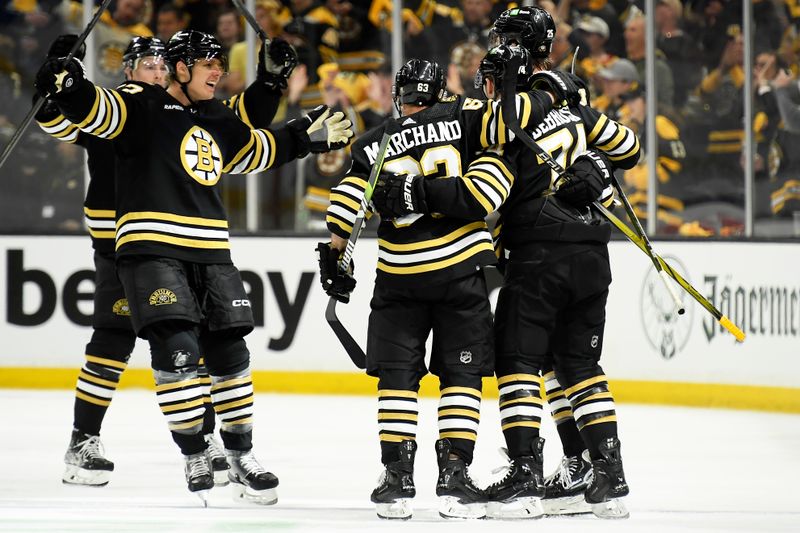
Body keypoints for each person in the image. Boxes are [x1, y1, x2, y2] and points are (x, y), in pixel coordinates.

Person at [35, 29, 353, 504]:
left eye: (163, 64)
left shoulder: (208, 112)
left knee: (228, 354)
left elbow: (247, 144)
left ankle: (239, 453)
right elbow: (80, 112)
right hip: (138, 248)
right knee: (154, 345)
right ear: (139, 71)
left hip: (209, 250)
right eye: (206, 63)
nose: (158, 70)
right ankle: (163, 447)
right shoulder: (136, 104)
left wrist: (281, 103)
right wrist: (62, 79)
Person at [320, 56, 583, 519]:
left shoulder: (373, 142)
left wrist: (336, 258)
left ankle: (398, 478)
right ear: (441, 91)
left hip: (398, 279)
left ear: (400, 96)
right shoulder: (467, 118)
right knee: (460, 377)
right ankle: (455, 477)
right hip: (460, 274)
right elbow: (490, 185)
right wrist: (552, 93)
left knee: (397, 379)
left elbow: (345, 206)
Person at [480, 6, 640, 519]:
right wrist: (595, 159)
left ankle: (525, 476)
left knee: (519, 362)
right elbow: (630, 146)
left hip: (540, 253)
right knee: (574, 365)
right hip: (591, 253)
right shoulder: (574, 102)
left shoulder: (517, 104)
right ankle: (600, 471)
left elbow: (498, 128)